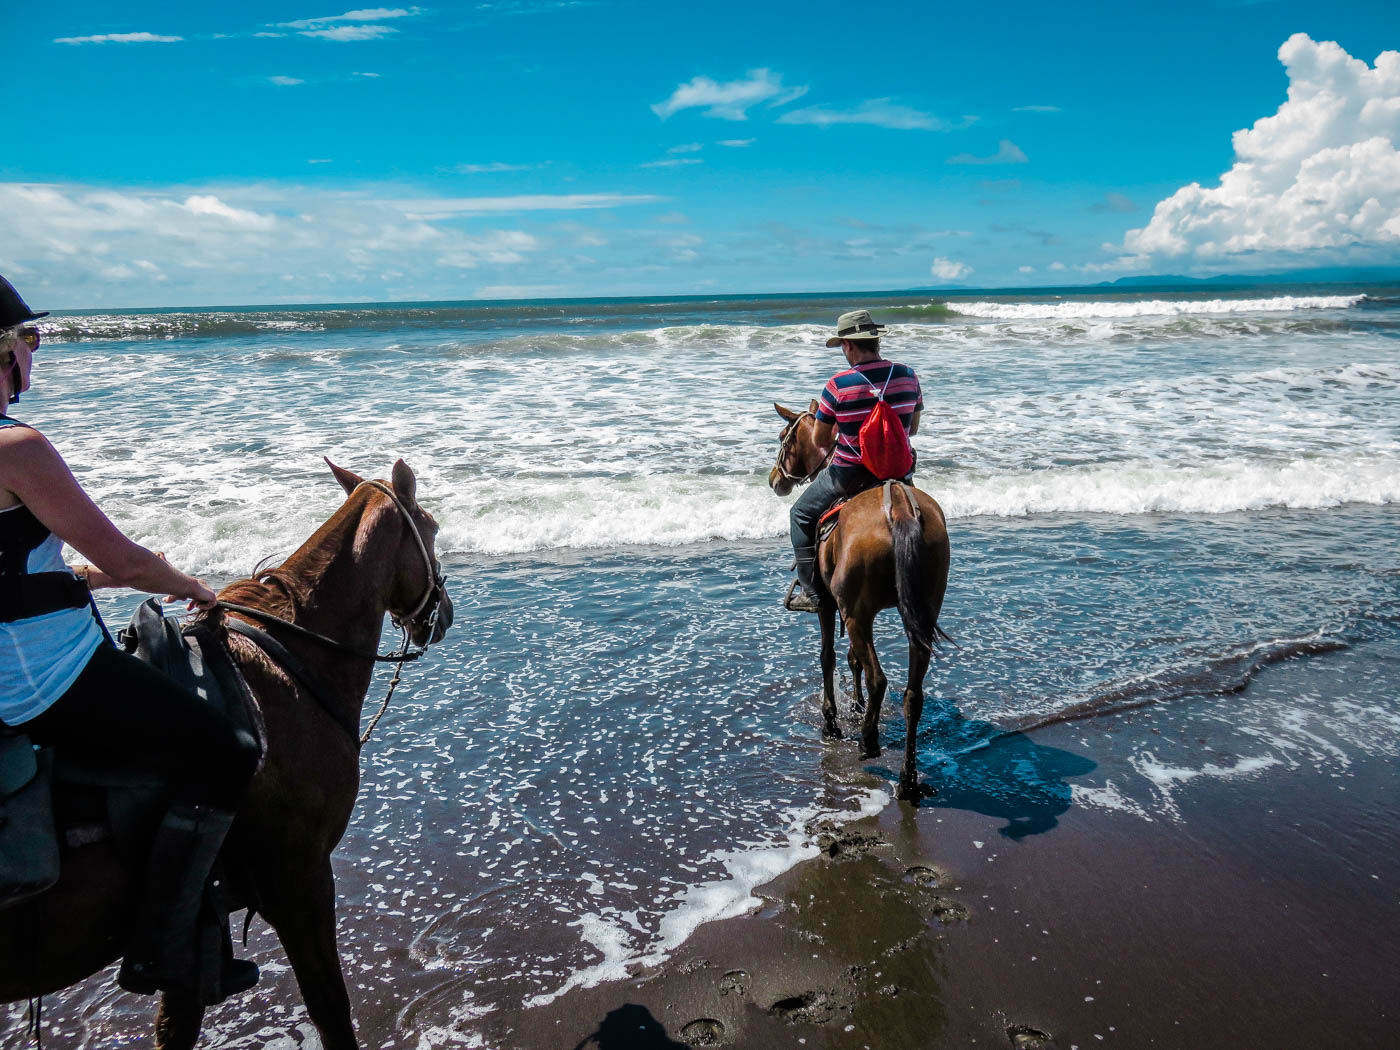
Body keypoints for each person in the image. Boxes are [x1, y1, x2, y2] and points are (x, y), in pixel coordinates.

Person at [0, 274, 259, 998]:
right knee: (225, 752)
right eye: (29, 337)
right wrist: (190, 587)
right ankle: (161, 948)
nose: (33, 350)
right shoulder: (16, 447)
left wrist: (78, 580)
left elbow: (19, 568)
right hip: (38, 678)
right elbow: (129, 560)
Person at [785, 309, 923, 612]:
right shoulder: (908, 375)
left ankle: (811, 593)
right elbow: (911, 428)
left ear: (848, 345)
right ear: (875, 342)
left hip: (850, 473)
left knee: (800, 515)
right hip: (900, 471)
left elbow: (821, 441)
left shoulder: (837, 385)